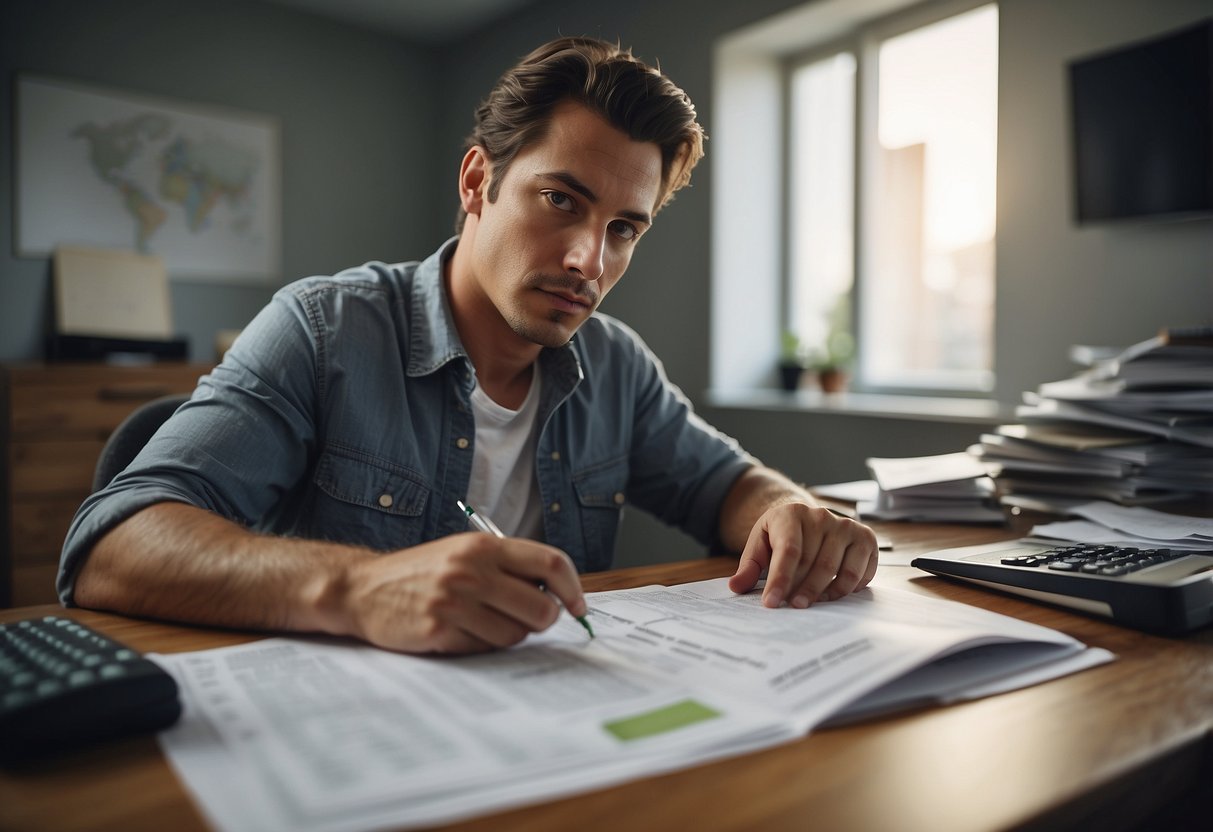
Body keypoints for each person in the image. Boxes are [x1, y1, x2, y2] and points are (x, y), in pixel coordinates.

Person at [59, 36, 878, 654]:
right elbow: (113, 545)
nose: (587, 260)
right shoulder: (322, 330)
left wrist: (785, 510)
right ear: (477, 181)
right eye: (560, 199)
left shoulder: (617, 365)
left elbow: (724, 483)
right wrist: (355, 587)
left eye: (624, 228)